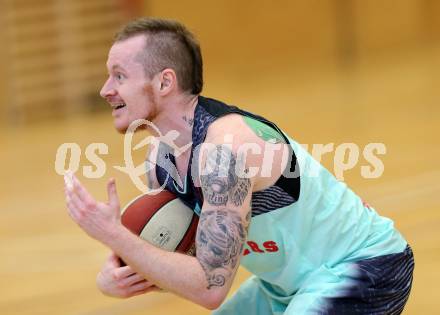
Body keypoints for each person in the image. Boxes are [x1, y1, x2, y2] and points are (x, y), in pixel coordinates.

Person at [63, 17, 414, 314]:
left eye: (119, 76)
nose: (105, 89)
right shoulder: (160, 161)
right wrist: (122, 272)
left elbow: (210, 288)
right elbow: (204, 261)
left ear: (164, 82)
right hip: (284, 287)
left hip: (366, 267)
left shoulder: (226, 150)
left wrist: (114, 235)